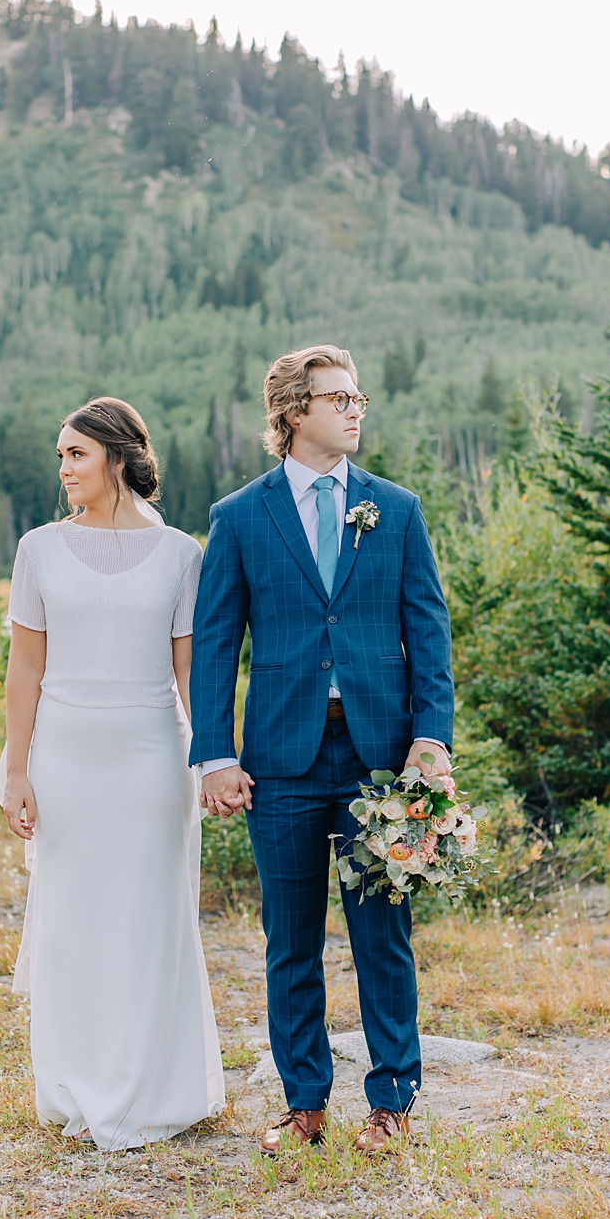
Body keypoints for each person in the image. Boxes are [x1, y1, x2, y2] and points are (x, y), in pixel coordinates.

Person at [189, 345, 454, 1155]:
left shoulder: (396, 509)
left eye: (358, 398)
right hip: (280, 758)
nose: (354, 410)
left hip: (381, 761)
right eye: (338, 398)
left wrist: (431, 738)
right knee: (292, 941)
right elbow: (214, 643)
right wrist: (215, 754)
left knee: (383, 937)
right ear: (293, 413)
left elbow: (428, 632)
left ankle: (392, 1103)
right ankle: (304, 1103)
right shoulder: (240, 516)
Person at [0, 398, 224, 1150]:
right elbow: (25, 668)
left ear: (117, 459)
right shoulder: (38, 549)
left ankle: (154, 1087)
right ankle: (74, 1083)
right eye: (60, 455)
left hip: (152, 757)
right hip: (64, 758)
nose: (63, 468)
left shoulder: (182, 555)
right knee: (72, 924)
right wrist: (17, 771)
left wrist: (215, 759)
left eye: (76, 454)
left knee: (149, 918)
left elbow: (191, 673)